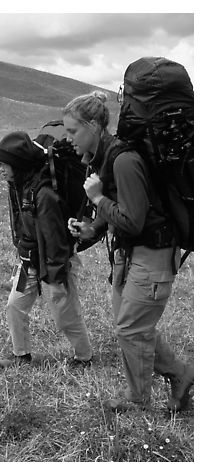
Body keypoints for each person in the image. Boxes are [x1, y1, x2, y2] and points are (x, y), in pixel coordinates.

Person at [63, 90, 193, 411]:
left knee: (131, 328)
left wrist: (96, 199)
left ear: (93, 125)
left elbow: (132, 220)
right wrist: (90, 230)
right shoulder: (105, 159)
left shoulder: (123, 161)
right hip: (131, 254)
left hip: (152, 254)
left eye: (72, 131)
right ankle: (181, 375)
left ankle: (138, 399)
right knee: (131, 325)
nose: (68, 139)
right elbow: (115, 217)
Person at [0, 131, 92, 369]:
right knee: (15, 305)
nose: (2, 170)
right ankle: (21, 355)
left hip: (53, 264)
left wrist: (56, 277)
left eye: (5, 165)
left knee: (65, 314)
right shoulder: (19, 186)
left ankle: (84, 356)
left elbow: (55, 240)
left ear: (19, 165)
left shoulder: (44, 194)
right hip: (29, 262)